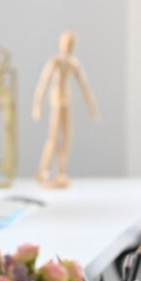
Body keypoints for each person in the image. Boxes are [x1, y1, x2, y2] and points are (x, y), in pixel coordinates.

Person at [31, 30, 100, 188]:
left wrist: (92, 108)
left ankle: (61, 172)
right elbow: (43, 83)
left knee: (67, 138)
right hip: (56, 101)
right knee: (53, 137)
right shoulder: (55, 62)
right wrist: (37, 105)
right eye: (66, 43)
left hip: (66, 102)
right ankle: (43, 170)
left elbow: (84, 86)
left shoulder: (73, 64)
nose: (68, 46)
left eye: (71, 44)